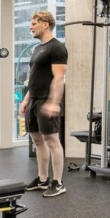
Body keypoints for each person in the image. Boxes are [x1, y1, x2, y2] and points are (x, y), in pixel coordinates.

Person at [19, 11, 68, 197]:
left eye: (34, 23)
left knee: (52, 141)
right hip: (33, 100)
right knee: (38, 141)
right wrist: (26, 100)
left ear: (45, 24)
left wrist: (54, 102)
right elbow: (34, 77)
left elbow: (59, 78)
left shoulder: (57, 48)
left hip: (46, 100)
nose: (30, 27)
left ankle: (58, 182)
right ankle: (42, 179)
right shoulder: (38, 48)